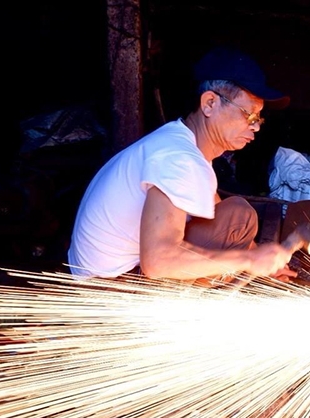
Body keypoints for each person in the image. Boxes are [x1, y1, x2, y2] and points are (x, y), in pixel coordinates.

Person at [68, 46, 296, 283]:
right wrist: (248, 261)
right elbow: (157, 262)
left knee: (236, 217)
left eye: (258, 118)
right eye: (248, 115)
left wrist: (263, 259)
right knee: (240, 215)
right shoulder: (178, 158)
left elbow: (216, 214)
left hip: (103, 276)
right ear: (209, 103)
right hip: (109, 287)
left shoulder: (182, 145)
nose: (256, 127)